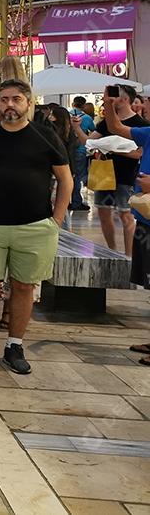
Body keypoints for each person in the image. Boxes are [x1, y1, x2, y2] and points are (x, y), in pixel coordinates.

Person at [0, 79, 71, 375]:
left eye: (16, 99)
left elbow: (65, 180)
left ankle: (15, 344)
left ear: (28, 102)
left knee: (24, 286)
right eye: (4, 100)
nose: (9, 105)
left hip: (34, 226)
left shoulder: (45, 136)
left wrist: (56, 220)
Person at [102, 94, 150, 363]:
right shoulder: (147, 133)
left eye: (146, 104)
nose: (142, 108)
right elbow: (116, 128)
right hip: (145, 218)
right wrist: (110, 105)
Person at [86, 84, 146, 256]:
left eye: (116, 95)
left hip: (127, 174)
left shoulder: (140, 124)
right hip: (104, 172)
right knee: (103, 212)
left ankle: (128, 256)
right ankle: (112, 251)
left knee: (126, 215)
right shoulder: (107, 122)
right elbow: (90, 141)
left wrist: (113, 149)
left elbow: (139, 153)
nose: (112, 98)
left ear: (126, 99)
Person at [45, 103, 78, 229]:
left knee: (57, 202)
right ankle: (65, 229)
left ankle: (62, 228)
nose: (50, 117)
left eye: (52, 115)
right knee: (63, 203)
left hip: (56, 172)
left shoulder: (52, 133)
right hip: (68, 170)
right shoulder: (70, 133)